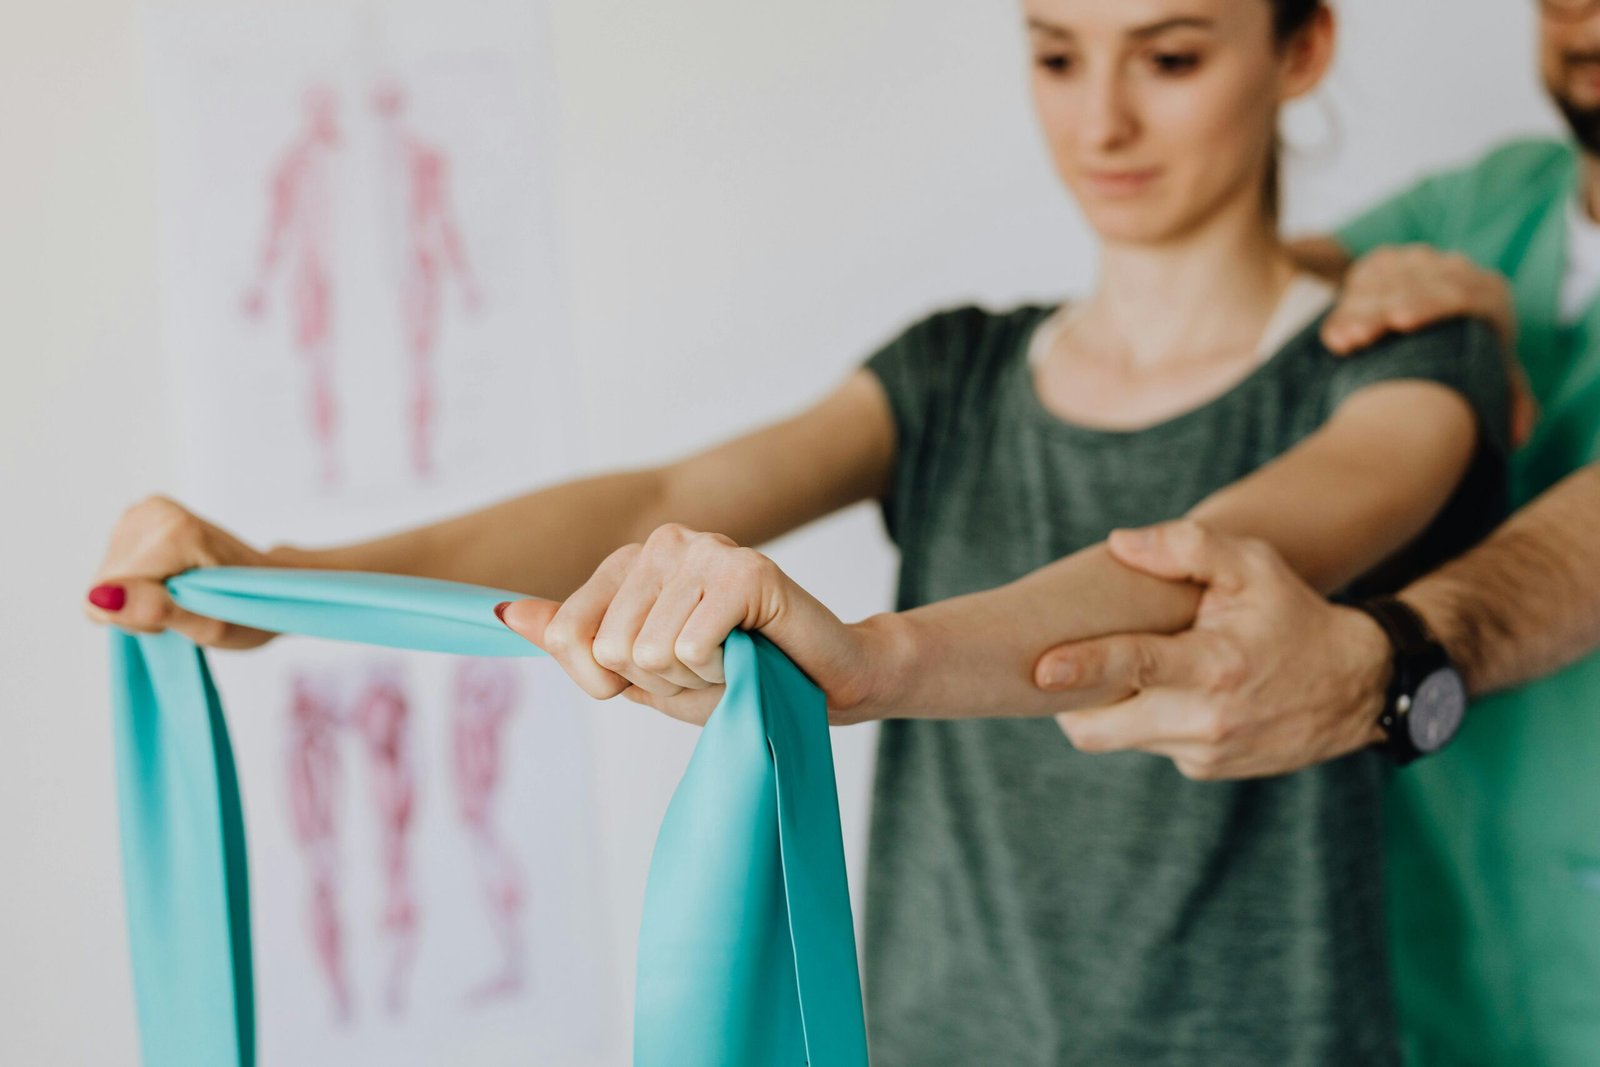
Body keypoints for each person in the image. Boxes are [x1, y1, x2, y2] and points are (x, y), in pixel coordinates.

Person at [87, 1, 1514, 1063]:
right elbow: (660, 500)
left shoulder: (1396, 363)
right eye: (1057, 52)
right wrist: (283, 583)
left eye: (1174, 54)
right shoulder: (954, 370)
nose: (1103, 121)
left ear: (1303, 48)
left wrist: (870, 660)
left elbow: (1188, 568)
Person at [1024, 4, 1600, 1064]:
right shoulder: (1486, 203)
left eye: (1170, 56)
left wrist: (1384, 659)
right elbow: (1233, 284)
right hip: (1442, 954)